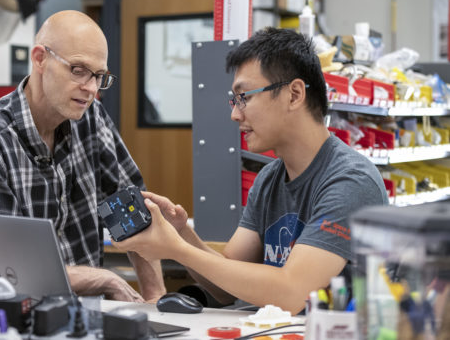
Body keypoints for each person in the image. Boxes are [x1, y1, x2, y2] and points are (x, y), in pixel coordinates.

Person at [114, 27, 389, 314]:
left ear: (294, 94)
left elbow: (293, 292)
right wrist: (181, 234)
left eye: (244, 97)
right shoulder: (269, 179)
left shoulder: (351, 181)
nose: (235, 114)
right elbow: (224, 283)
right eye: (235, 100)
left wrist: (176, 249)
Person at [0, 10, 166, 303]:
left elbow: (131, 210)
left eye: (99, 76)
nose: (91, 88)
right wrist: (103, 278)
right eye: (78, 70)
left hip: (77, 315)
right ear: (40, 58)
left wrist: (156, 299)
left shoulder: (90, 118)